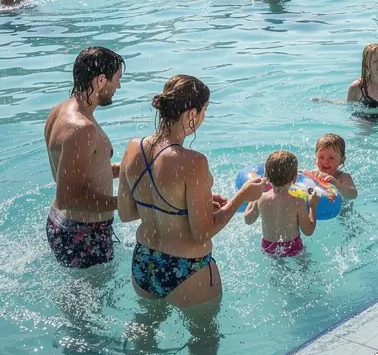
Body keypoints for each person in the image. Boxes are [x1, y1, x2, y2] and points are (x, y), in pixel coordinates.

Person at [117, 75, 264, 306]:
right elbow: (202, 234)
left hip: (144, 261)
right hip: (186, 267)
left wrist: (186, 207)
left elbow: (126, 213)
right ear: (191, 114)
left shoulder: (134, 147)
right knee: (204, 340)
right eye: (204, 111)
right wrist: (241, 197)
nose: (204, 118)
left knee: (145, 333)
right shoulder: (193, 162)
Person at [43, 47, 124, 269]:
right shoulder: (81, 128)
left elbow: (84, 171)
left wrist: (129, 168)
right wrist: (127, 204)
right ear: (100, 80)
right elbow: (68, 197)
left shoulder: (59, 109)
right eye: (116, 80)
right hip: (83, 233)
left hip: (70, 227)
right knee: (88, 303)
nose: (118, 86)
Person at [244, 150, 318, 258]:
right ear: (295, 177)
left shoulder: (261, 198)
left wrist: (253, 198)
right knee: (304, 267)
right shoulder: (298, 201)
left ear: (267, 176)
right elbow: (308, 231)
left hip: (268, 247)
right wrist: (312, 206)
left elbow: (248, 220)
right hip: (293, 247)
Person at [310, 133, 359, 202]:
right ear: (315, 158)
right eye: (321, 157)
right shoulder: (312, 175)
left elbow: (353, 195)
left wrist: (336, 184)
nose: (325, 162)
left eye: (331, 158)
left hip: (341, 209)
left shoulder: (343, 177)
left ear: (342, 160)